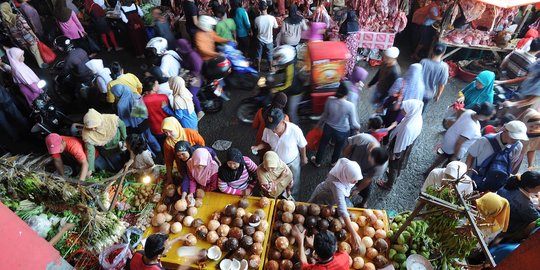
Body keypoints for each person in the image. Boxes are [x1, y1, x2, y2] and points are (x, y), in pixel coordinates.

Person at [308, 158, 363, 251]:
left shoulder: (346, 164)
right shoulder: (337, 186)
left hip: (330, 196)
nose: (356, 182)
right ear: (346, 176)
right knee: (314, 212)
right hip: (323, 198)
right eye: (354, 180)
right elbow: (342, 211)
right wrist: (354, 233)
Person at [424, 102, 495, 174]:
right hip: (454, 148)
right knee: (449, 167)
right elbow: (459, 143)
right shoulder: (473, 128)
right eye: (489, 116)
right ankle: (439, 176)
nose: (489, 118)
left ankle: (429, 171)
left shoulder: (470, 112)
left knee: (442, 156)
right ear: (482, 115)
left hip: (449, 138)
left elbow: (460, 111)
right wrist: (455, 156)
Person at [251, 108, 308, 199]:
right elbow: (266, 143)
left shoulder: (294, 130)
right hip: (275, 165)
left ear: (282, 121)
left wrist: (304, 157)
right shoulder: (268, 130)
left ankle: (293, 199)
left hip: (292, 162)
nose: (273, 130)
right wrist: (257, 147)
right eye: (271, 126)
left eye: (275, 126)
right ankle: (278, 197)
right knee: (275, 184)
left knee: (293, 183)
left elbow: (302, 145)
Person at [465, 121, 528, 191]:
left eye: (518, 138)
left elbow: (511, 165)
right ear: (504, 130)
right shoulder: (484, 140)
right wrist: (465, 175)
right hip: (474, 178)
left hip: (495, 182)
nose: (516, 140)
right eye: (514, 137)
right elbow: (470, 157)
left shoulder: (518, 146)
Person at [377, 100, 424, 190]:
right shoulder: (417, 118)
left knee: (393, 165)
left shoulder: (407, 128)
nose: (402, 110)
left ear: (411, 109)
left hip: (398, 148)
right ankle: (395, 174)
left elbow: (399, 143)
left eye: (404, 109)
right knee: (399, 163)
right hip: (406, 146)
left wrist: (395, 154)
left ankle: (389, 184)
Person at [311, 83, 360, 167]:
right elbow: (353, 123)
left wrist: (318, 125)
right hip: (342, 131)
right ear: (347, 93)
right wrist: (359, 127)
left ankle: (317, 161)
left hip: (328, 128)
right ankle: (333, 162)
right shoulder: (350, 106)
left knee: (323, 144)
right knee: (338, 147)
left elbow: (325, 115)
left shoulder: (330, 99)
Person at [110, 84, 161, 156]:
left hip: (133, 127)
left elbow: (123, 120)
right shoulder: (135, 96)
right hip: (143, 122)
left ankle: (151, 155)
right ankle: (158, 150)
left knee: (141, 141)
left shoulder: (120, 105)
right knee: (150, 137)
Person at [343, 133, 389, 207]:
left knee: (366, 189)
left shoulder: (381, 166)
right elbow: (349, 146)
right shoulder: (362, 138)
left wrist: (358, 190)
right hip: (351, 164)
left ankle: (364, 202)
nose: (372, 165)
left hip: (363, 174)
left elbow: (368, 178)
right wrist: (344, 160)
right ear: (370, 152)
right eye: (372, 162)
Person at [497, 171, 540, 242]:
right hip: (508, 226)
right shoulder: (524, 203)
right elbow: (536, 218)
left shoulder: (511, 183)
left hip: (501, 215)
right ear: (529, 187)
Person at [82, 109, 128, 174]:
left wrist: (125, 139)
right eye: (90, 128)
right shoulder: (86, 134)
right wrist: (90, 168)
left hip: (121, 144)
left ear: (99, 122)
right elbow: (90, 151)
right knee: (117, 163)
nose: (93, 129)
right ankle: (120, 173)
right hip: (108, 151)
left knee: (126, 158)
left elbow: (122, 125)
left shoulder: (110, 119)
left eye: (95, 126)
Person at [0, 3, 46, 68]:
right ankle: (41, 65)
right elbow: (27, 27)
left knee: (30, 51)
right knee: (35, 51)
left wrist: (14, 41)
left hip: (19, 40)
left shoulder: (5, 22)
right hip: (28, 36)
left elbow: (9, 34)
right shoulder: (17, 16)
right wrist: (34, 35)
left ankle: (36, 62)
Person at [161, 117, 205, 184]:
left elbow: (202, 145)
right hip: (183, 168)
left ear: (176, 127)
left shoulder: (190, 133)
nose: (168, 135)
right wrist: (169, 177)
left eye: (170, 131)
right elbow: (169, 161)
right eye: (166, 133)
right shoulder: (168, 143)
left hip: (198, 164)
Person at [129, 233, 201, 270]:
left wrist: (179, 238)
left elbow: (161, 247)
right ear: (159, 256)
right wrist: (189, 261)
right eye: (167, 248)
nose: (170, 247)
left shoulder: (138, 253)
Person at [176, 39, 203, 117]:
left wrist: (190, 76)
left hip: (198, 77)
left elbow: (198, 68)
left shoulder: (192, 55)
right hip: (193, 75)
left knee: (191, 94)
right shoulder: (186, 54)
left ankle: (200, 111)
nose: (178, 49)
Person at [421, 42, 449, 108]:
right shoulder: (444, 67)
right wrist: (438, 95)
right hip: (428, 94)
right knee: (420, 110)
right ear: (443, 53)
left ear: (432, 50)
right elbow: (442, 84)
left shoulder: (423, 62)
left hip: (417, 90)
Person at [142, 76, 169, 144]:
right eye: (157, 84)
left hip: (155, 129)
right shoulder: (164, 97)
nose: (158, 85)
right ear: (153, 87)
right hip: (168, 125)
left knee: (163, 145)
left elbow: (140, 116)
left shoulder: (141, 100)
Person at [254, 1, 278, 72]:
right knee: (270, 55)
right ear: (267, 7)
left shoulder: (257, 19)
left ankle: (258, 69)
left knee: (258, 54)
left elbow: (256, 28)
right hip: (269, 40)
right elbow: (276, 27)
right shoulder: (272, 18)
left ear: (259, 9)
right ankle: (270, 68)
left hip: (260, 39)